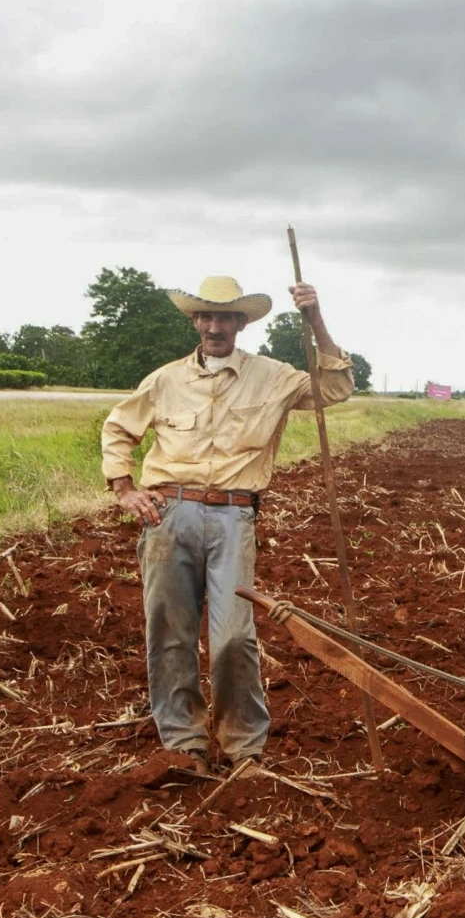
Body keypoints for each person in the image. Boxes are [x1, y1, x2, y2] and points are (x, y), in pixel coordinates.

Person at [100, 275, 353, 772]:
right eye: (207, 316)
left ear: (241, 323)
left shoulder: (273, 376)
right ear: (195, 321)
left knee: (235, 635)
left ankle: (243, 748)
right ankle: (184, 744)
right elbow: (118, 427)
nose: (215, 326)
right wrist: (124, 488)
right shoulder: (165, 379)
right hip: (169, 514)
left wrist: (316, 319)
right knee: (169, 631)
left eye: (226, 317)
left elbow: (335, 387)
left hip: (235, 514)